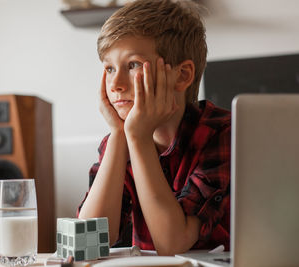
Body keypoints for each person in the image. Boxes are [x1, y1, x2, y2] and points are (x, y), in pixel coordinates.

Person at [77, 0, 231, 256]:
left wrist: (138, 138)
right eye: (109, 68)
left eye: (133, 64)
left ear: (182, 75)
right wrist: (118, 136)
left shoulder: (222, 133)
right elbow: (86, 243)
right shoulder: (119, 141)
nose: (114, 84)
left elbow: (173, 243)